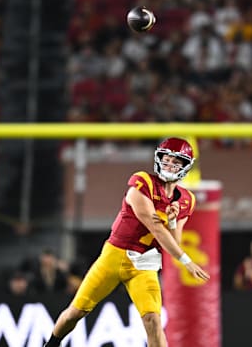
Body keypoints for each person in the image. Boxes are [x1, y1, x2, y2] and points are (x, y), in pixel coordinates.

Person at [43, 137, 209, 347]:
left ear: (185, 167)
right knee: (75, 313)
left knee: (153, 321)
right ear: (158, 159)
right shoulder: (142, 183)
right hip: (114, 257)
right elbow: (155, 227)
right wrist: (186, 261)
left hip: (145, 265)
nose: (169, 165)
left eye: (176, 162)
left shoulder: (186, 200)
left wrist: (174, 220)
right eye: (166, 160)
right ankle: (51, 345)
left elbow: (174, 240)